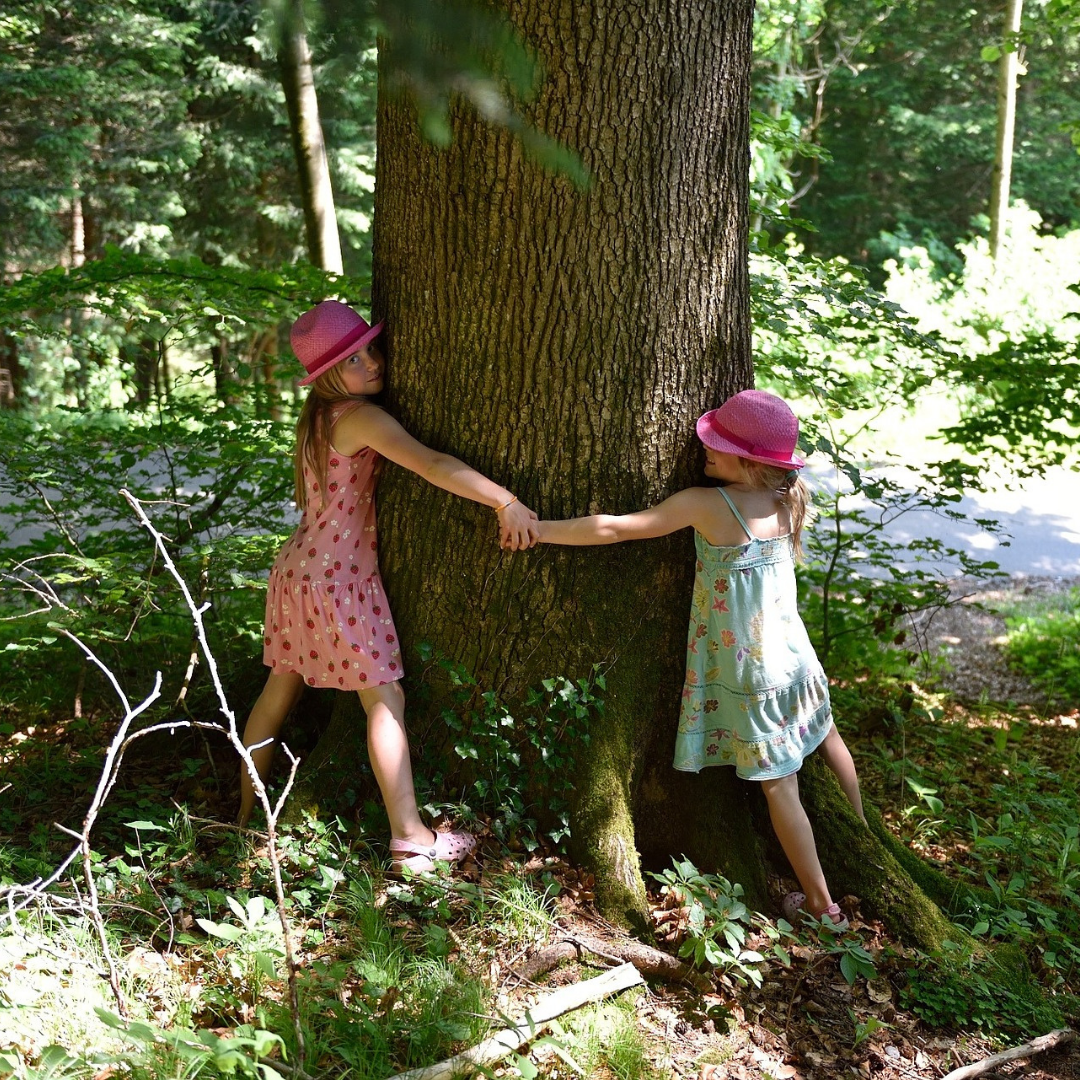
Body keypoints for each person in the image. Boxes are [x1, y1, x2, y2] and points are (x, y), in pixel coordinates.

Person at [536, 389, 866, 928]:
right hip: (797, 660)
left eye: (718, 444)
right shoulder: (786, 500)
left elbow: (616, 527)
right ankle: (862, 833)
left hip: (754, 677)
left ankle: (821, 903)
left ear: (751, 462)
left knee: (781, 787)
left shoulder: (708, 504)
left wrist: (541, 530)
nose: (702, 446)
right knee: (827, 736)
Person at [238, 300, 539, 874]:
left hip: (296, 572)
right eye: (354, 359)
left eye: (370, 349)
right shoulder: (360, 418)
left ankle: (246, 815)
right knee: (384, 699)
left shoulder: (317, 417)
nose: (373, 363)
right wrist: (504, 498)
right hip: (339, 582)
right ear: (330, 374)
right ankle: (410, 838)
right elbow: (430, 462)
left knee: (279, 688)